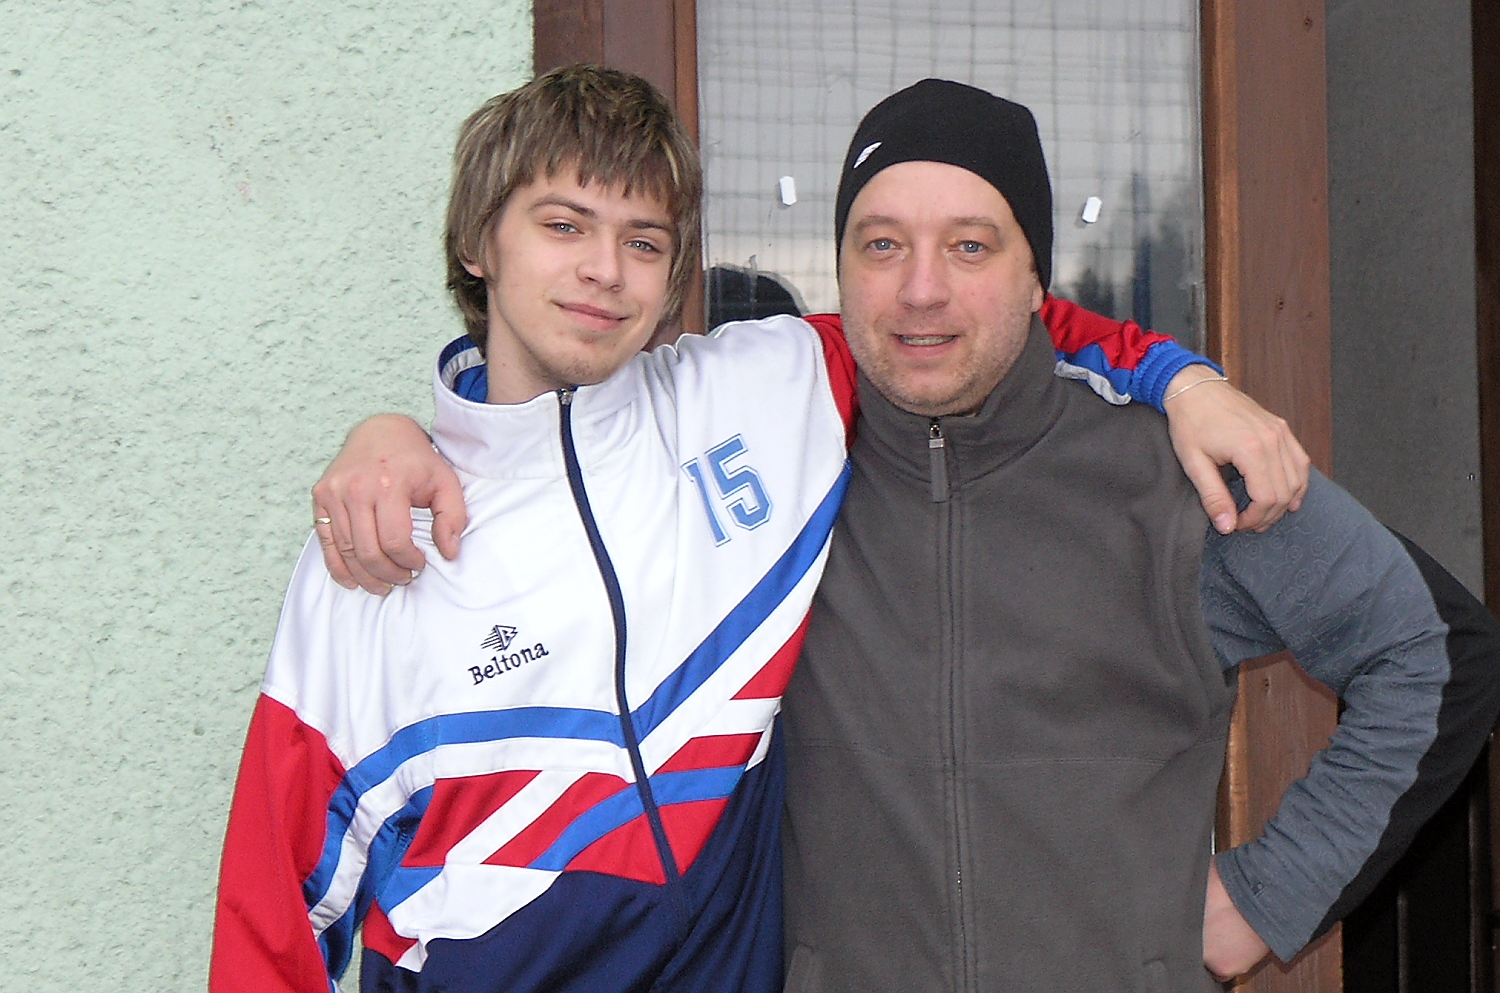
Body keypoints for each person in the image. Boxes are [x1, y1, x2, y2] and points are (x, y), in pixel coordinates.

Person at [318, 75, 1500, 992]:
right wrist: (403, 435)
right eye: (881, 244)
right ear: (841, 271)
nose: (922, 288)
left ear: (1039, 278)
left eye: (971, 245)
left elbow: (1433, 652)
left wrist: (1267, 897)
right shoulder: (772, 471)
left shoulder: (1168, 472)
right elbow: (559, 437)